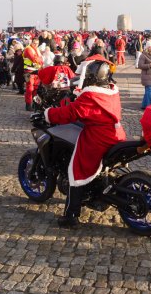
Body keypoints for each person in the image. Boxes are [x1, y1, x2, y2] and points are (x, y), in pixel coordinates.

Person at [41, 59, 125, 228]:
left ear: (92, 77)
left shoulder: (91, 96)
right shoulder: (111, 91)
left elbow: (71, 113)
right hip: (116, 134)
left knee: (77, 170)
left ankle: (71, 216)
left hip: (98, 137)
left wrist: (49, 113)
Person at [137, 43, 151, 110]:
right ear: (147, 48)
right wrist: (149, 65)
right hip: (147, 75)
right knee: (149, 91)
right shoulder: (143, 55)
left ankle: (144, 105)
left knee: (148, 91)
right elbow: (140, 65)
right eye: (149, 47)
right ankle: (149, 106)